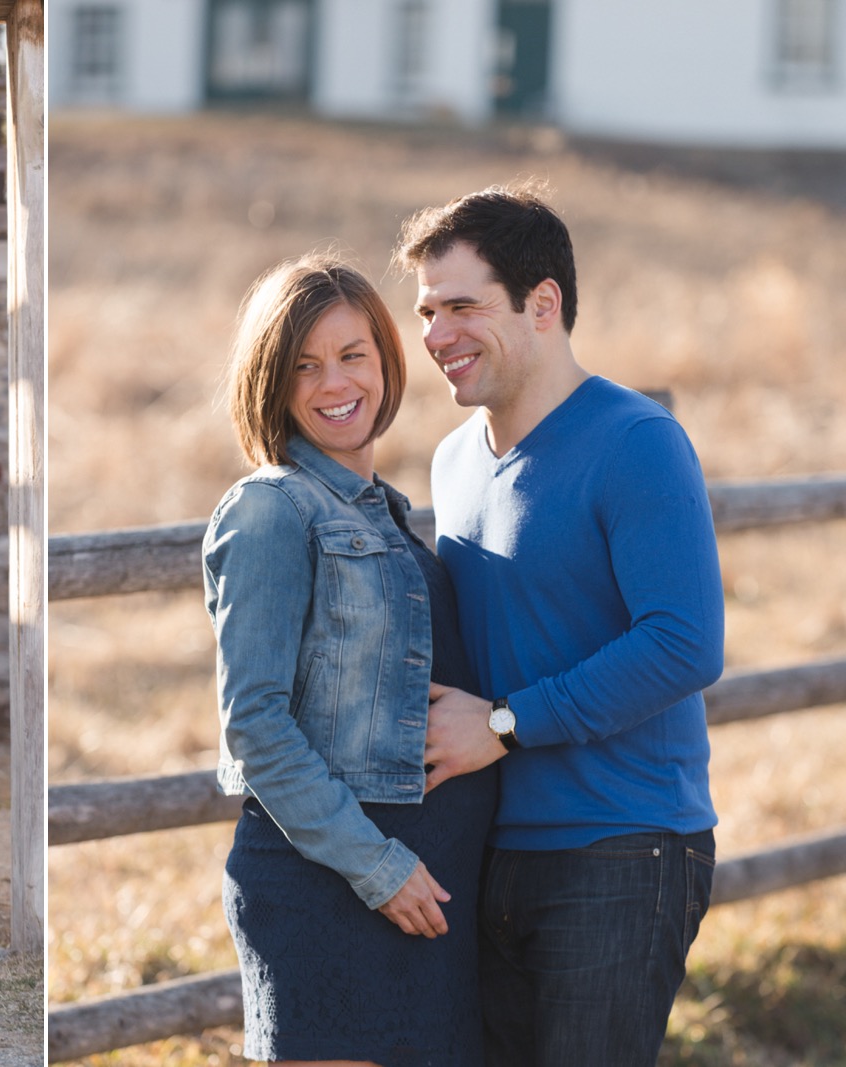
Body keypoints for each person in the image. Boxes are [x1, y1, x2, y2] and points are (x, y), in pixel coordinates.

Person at [395, 185, 724, 1066]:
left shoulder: (637, 441)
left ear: (543, 304)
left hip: (623, 848)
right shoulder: (454, 460)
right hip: (489, 851)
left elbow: (685, 641)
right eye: (427, 311)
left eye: (462, 305)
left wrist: (505, 723)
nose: (434, 335)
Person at [203, 254, 495, 1066]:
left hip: (426, 909)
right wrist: (380, 868)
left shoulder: (386, 514)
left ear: (385, 360)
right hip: (332, 898)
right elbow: (255, 725)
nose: (334, 381)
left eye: (352, 354)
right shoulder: (271, 510)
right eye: (304, 364)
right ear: (273, 382)